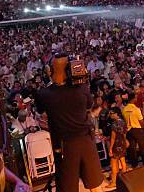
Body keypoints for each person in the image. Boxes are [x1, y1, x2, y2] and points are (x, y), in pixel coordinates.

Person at [35, 56, 104, 192]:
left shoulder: (44, 94)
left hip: (64, 146)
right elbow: (89, 105)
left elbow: (41, 112)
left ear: (49, 71)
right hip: (86, 141)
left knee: (68, 188)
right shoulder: (82, 88)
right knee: (95, 186)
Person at [103, 107, 127, 189]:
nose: (110, 115)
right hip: (122, 143)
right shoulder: (123, 122)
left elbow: (113, 138)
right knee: (123, 161)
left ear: (116, 114)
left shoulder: (114, 124)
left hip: (116, 146)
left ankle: (113, 182)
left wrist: (110, 149)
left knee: (113, 164)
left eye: (112, 113)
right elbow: (124, 134)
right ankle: (125, 180)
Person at [122, 93, 144, 167]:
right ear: (133, 99)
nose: (136, 99)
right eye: (136, 98)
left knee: (132, 148)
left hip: (129, 131)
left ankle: (134, 165)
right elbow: (142, 123)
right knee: (143, 146)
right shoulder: (136, 109)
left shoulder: (124, 109)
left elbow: (124, 121)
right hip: (137, 130)